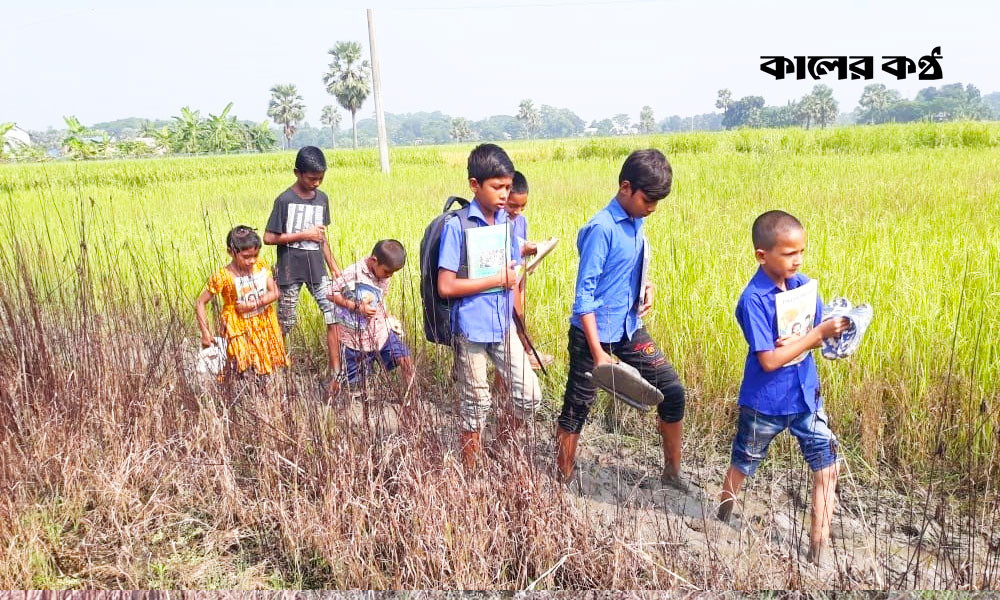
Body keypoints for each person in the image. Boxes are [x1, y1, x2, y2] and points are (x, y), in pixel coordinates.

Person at [716, 210, 849, 564]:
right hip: (765, 400)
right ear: (763, 255)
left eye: (801, 251)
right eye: (789, 253)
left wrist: (837, 330)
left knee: (828, 466)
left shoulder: (803, 287)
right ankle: (723, 513)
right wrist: (814, 336)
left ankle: (817, 546)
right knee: (744, 460)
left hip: (806, 395)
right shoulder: (753, 301)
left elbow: (817, 332)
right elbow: (770, 360)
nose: (798, 260)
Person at [555, 149, 688, 490]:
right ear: (626, 188)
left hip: (629, 329)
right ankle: (563, 478)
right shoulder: (601, 229)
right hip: (592, 335)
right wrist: (599, 353)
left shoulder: (638, 221)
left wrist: (646, 286)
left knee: (672, 391)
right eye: (648, 200)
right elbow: (584, 296)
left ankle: (672, 473)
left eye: (658, 202)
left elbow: (625, 268)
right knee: (578, 405)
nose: (652, 209)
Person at [437, 143, 542, 468]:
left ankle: (499, 442)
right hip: (471, 328)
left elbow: (511, 272)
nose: (503, 194)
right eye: (497, 187)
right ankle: (471, 469)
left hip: (502, 326)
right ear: (474, 185)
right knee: (476, 403)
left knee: (530, 396)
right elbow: (446, 286)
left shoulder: (507, 224)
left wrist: (513, 279)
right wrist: (497, 280)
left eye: (507, 187)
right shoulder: (458, 227)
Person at [263, 146, 342, 389]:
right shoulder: (284, 200)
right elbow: (268, 237)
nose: (316, 183)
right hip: (290, 269)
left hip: (318, 268)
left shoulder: (322, 199)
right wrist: (301, 235)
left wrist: (335, 267)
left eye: (320, 178)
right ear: (297, 173)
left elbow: (321, 237)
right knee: (286, 320)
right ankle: (270, 365)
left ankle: (335, 372)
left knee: (333, 313)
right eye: (311, 178)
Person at [195, 225, 288, 379]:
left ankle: (262, 398)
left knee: (265, 365)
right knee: (241, 364)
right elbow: (200, 302)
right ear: (231, 252)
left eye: (255, 255)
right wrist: (205, 332)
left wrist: (254, 304)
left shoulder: (260, 267)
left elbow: (275, 292)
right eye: (246, 257)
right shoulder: (223, 277)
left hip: (263, 323)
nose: (251, 261)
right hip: (237, 326)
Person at [328, 239, 415, 399]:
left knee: (406, 360)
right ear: (374, 261)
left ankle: (411, 402)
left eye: (393, 273)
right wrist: (356, 306)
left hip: (381, 333)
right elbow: (331, 293)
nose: (389, 276)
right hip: (356, 339)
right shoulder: (353, 272)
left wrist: (389, 317)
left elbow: (380, 299)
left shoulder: (383, 276)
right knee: (354, 387)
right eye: (388, 271)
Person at [504, 170, 553, 370]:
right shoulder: (498, 221)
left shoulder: (521, 222)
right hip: (503, 285)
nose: (517, 211)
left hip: (517, 280)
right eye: (512, 205)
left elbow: (521, 262)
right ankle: (527, 349)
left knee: (517, 322)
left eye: (523, 206)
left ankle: (503, 393)